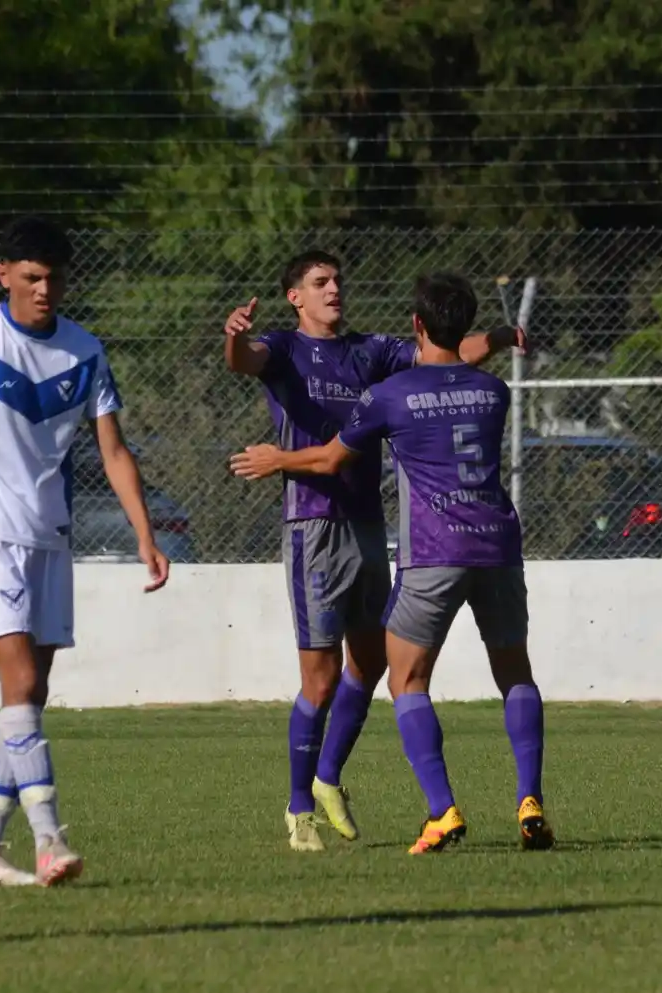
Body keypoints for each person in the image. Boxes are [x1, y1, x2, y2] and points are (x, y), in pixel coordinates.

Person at [230, 272, 553, 855]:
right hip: (471, 542)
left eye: (338, 280)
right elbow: (245, 359)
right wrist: (503, 335)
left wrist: (279, 459)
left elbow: (332, 457)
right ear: (294, 296)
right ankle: (305, 800)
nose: (335, 289)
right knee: (333, 676)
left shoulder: (386, 381)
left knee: (396, 673)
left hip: (418, 548)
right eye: (320, 282)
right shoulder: (494, 393)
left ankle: (426, 805)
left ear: (417, 325)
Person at [0, 216, 170, 888]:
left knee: (29, 694)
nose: (45, 289)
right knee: (19, 684)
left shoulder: (85, 351)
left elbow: (114, 450)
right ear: (3, 273)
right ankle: (48, 838)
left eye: (55, 277)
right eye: (32, 276)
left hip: (50, 535)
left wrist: (145, 536)